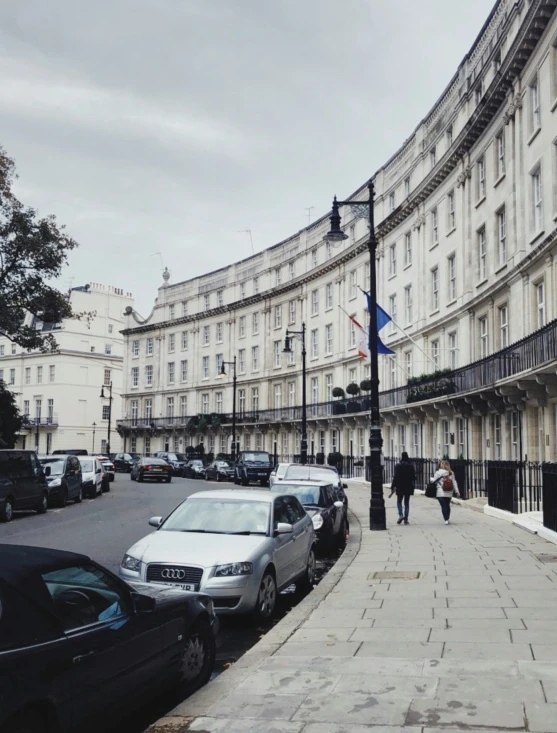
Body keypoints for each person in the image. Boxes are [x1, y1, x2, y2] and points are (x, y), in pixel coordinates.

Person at [389, 451, 415, 525]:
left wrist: (393, 486)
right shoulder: (411, 466)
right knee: (406, 503)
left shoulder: (398, 466)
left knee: (399, 502)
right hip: (408, 486)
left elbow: (395, 477)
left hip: (400, 486)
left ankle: (401, 515)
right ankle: (406, 519)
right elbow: (413, 477)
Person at [431, 459, 460, 524]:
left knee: (443, 505)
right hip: (449, 491)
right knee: (447, 505)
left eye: (441, 464)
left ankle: (446, 519)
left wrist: (432, 480)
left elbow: (434, 481)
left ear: (442, 465)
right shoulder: (451, 473)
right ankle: (447, 518)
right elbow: (454, 482)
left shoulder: (438, 472)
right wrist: (457, 491)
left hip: (440, 492)